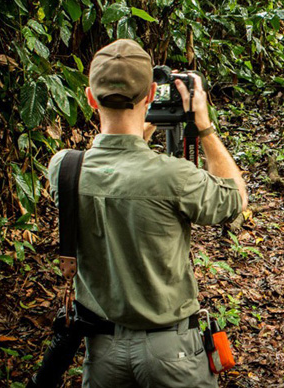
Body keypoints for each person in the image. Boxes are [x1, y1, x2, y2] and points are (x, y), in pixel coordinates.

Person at [48, 39, 248, 388]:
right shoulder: (172, 176)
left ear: (90, 97)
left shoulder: (64, 169)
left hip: (102, 352)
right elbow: (234, 198)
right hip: (171, 353)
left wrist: (143, 126)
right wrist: (204, 126)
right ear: (152, 93)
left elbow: (119, 170)